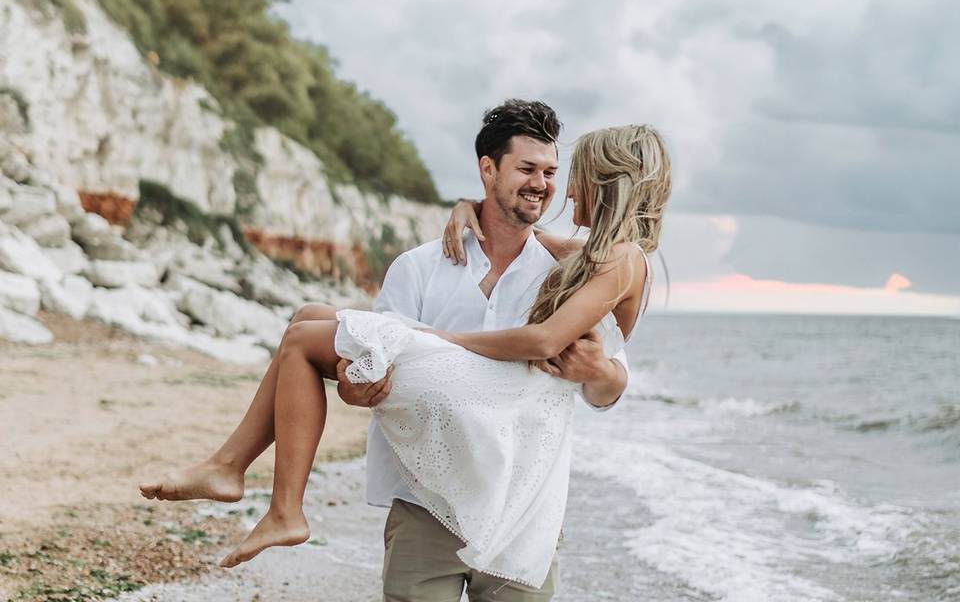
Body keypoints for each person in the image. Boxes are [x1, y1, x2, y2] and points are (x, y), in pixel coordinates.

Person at [140, 101, 671, 599]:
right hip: (429, 497)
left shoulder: (597, 262)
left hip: (518, 488)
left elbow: (591, 369)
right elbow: (358, 381)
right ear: (489, 170)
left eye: (556, 174)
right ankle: (243, 479)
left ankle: (259, 489)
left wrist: (594, 368)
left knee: (304, 334)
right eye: (528, 170)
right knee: (306, 322)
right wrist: (355, 386)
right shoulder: (429, 265)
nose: (555, 188)